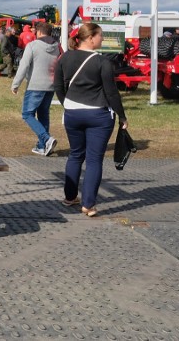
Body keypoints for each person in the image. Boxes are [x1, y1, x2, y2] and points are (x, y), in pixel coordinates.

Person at [54, 23, 128, 218]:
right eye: (100, 36)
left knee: (76, 154)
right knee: (94, 159)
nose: (102, 39)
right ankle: (88, 205)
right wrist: (122, 116)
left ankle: (70, 197)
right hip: (98, 114)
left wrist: (67, 104)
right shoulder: (102, 62)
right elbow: (111, 92)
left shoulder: (65, 57)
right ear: (90, 38)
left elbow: (58, 86)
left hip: (72, 112)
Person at [11, 22, 61, 156]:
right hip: (51, 86)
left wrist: (15, 84)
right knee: (43, 114)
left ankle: (47, 139)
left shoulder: (32, 46)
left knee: (27, 114)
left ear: (38, 32)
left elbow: (24, 66)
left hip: (35, 85)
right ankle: (42, 146)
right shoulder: (57, 46)